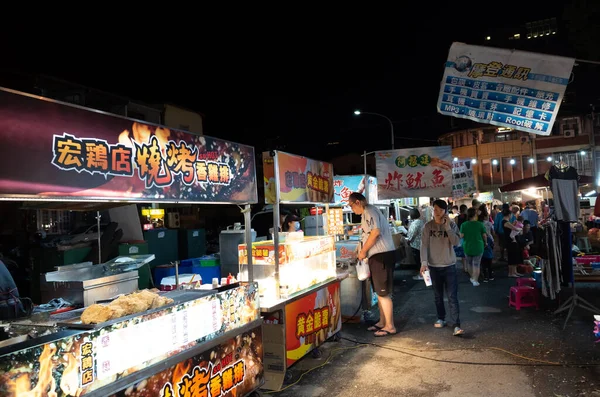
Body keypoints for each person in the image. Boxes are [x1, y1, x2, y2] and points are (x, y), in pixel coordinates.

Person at [348, 192, 397, 337]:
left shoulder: (369, 210)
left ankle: (390, 326)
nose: (352, 210)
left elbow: (375, 233)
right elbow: (366, 235)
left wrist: (363, 252)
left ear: (357, 202)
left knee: (383, 293)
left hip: (381, 255)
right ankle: (382, 322)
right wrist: (358, 251)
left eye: (351, 206)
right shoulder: (367, 213)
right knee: (380, 292)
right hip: (379, 256)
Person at [420, 199, 464, 336]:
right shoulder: (428, 226)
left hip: (449, 265)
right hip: (433, 266)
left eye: (440, 210)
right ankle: (441, 318)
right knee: (437, 296)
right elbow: (424, 245)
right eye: (435, 209)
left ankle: (456, 324)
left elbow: (456, 242)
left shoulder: (451, 225)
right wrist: (424, 262)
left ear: (445, 211)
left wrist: (447, 228)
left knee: (452, 296)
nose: (437, 212)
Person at [460, 207, 487, 286]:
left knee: (469, 263)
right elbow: (484, 236)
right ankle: (475, 280)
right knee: (476, 264)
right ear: (475, 215)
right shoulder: (480, 224)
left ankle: (472, 277)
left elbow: (461, 236)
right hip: (478, 246)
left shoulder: (464, 225)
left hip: (467, 246)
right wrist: (486, 243)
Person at [502, 208, 523, 277]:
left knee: (514, 256)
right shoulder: (505, 222)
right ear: (509, 214)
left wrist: (513, 224)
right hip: (510, 241)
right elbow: (515, 229)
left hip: (511, 240)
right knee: (512, 257)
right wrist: (520, 228)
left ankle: (514, 271)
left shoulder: (506, 222)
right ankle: (511, 273)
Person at [406, 208, 425, 280]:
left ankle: (421, 275)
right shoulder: (421, 222)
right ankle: (423, 275)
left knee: (419, 261)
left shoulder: (415, 223)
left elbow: (413, 234)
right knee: (421, 260)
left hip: (416, 245)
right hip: (421, 244)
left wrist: (409, 241)